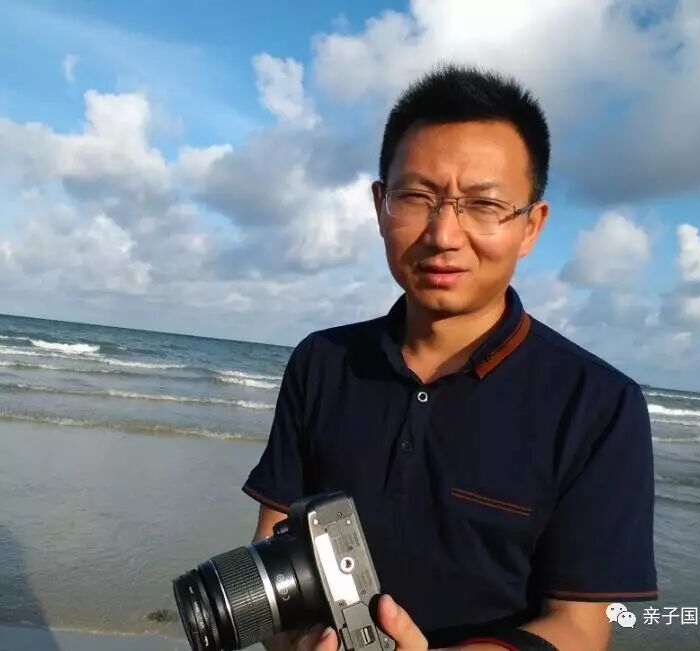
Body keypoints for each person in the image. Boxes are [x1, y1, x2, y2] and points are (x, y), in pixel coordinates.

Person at [243, 65, 657, 651]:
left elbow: (580, 627)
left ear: (531, 226)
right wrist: (292, 642)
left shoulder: (599, 406)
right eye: (417, 197)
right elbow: (271, 557)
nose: (443, 234)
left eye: (484, 204)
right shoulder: (322, 361)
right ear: (381, 205)